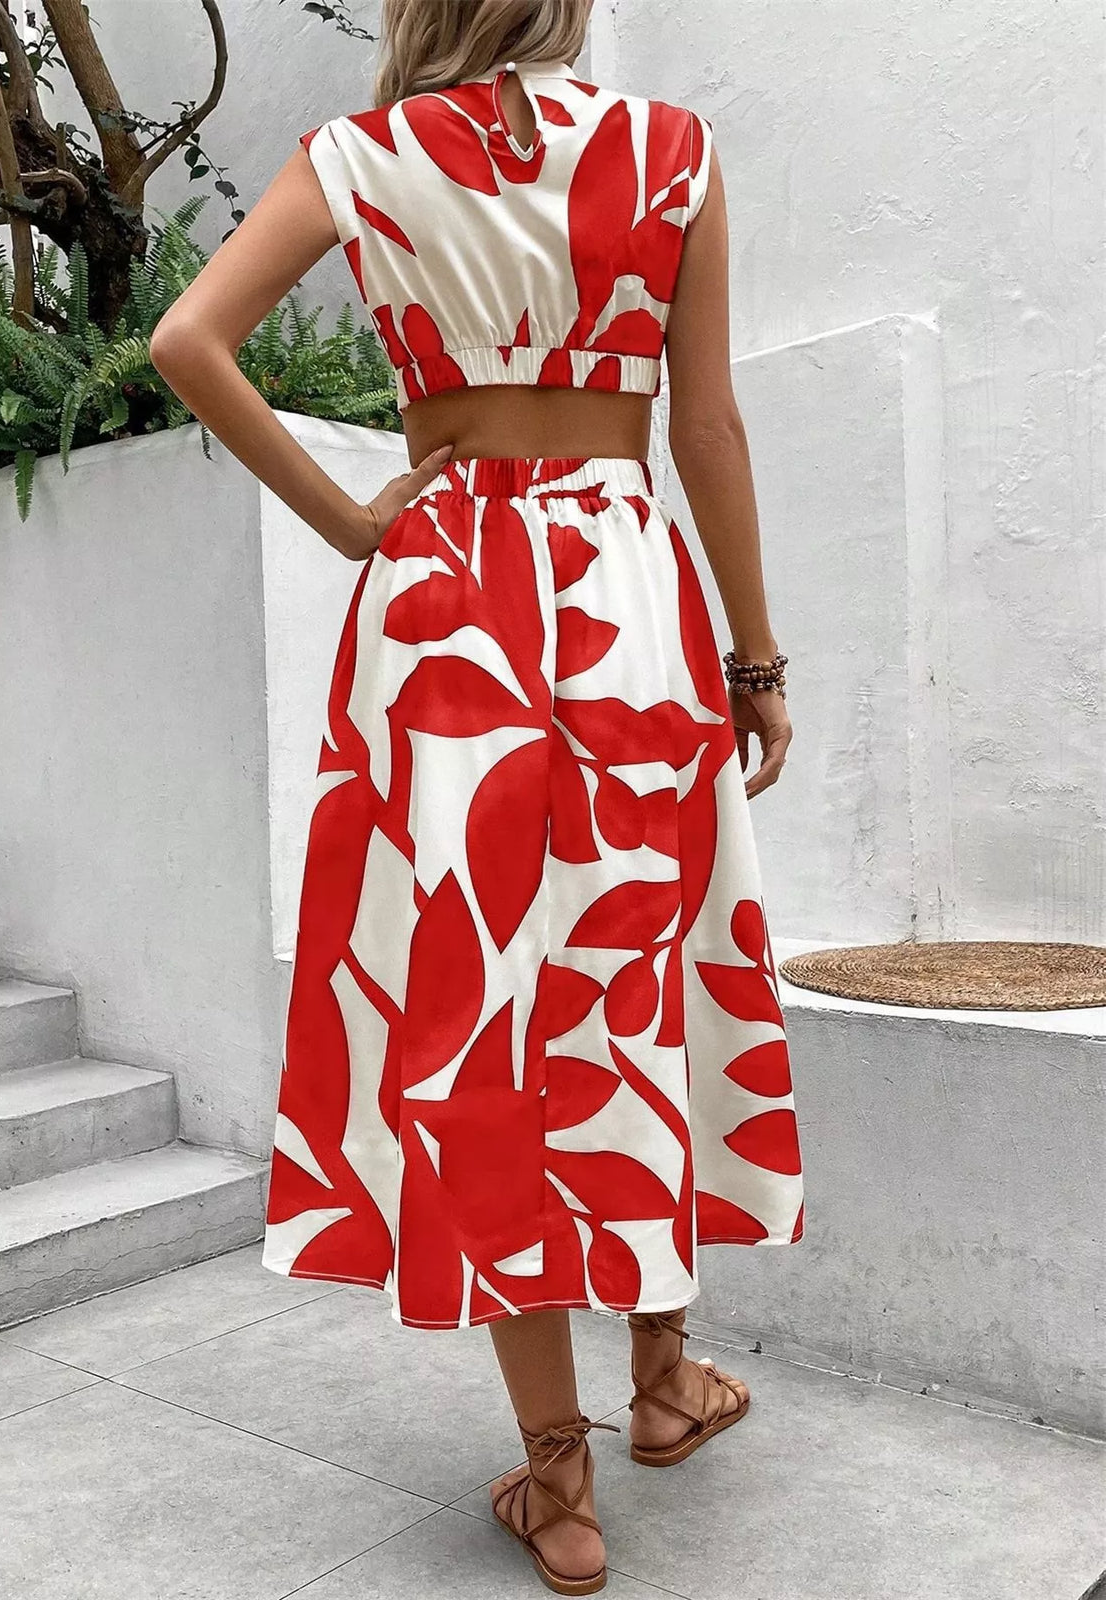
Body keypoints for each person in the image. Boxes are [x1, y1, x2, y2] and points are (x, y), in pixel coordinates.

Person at [150, 1, 804, 1592]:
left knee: (489, 1004)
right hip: (626, 595)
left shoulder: (363, 157)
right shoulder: (670, 152)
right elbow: (704, 424)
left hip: (447, 611)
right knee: (631, 980)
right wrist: (756, 658)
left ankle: (562, 1486)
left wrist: (347, 521)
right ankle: (662, 1384)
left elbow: (186, 343)